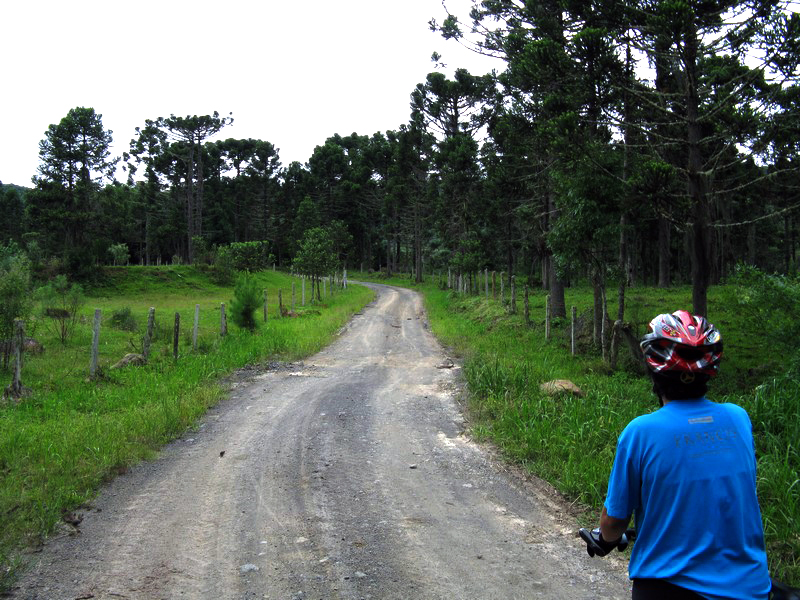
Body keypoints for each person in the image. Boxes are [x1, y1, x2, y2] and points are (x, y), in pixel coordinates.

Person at [585, 310, 771, 599]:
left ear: (653, 371)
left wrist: (605, 539)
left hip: (670, 588)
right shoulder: (739, 419)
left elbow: (614, 522)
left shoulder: (641, 432)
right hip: (752, 587)